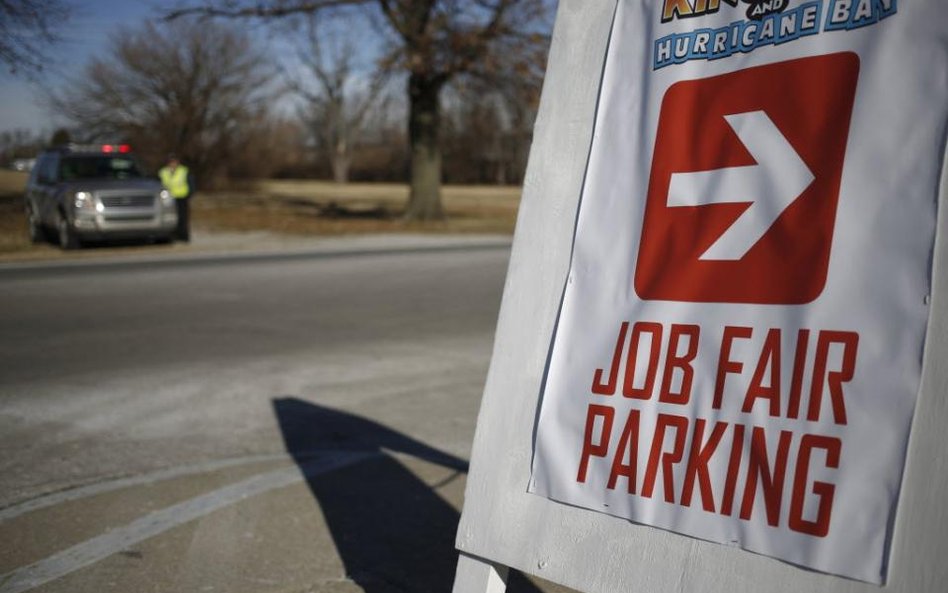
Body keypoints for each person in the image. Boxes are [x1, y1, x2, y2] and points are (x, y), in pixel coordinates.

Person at [158, 154, 192, 242]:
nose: (173, 164)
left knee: (183, 218)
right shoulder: (163, 172)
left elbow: (191, 184)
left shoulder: (184, 170)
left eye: (174, 162)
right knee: (170, 218)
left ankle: (184, 237)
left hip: (182, 197)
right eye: (171, 162)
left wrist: (189, 194)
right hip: (168, 199)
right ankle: (172, 236)